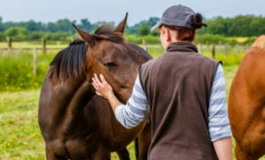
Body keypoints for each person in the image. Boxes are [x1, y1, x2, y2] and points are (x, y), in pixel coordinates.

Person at [92, 4, 232, 160]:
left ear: (165, 34)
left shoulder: (146, 70)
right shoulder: (213, 68)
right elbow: (219, 128)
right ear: (193, 34)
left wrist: (109, 95)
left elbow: (129, 119)